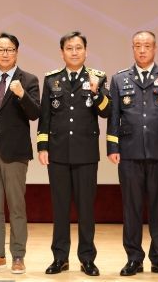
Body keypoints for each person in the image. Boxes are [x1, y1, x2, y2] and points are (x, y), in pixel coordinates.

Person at [106, 31, 158, 278]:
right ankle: (134, 258)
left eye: (147, 46)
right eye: (137, 46)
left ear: (155, 48)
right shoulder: (119, 79)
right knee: (131, 208)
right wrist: (112, 147)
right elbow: (114, 116)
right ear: (132, 48)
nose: (142, 50)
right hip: (129, 152)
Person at [37, 31, 111, 277]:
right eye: (69, 48)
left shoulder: (97, 77)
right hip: (58, 153)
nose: (74, 52)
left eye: (79, 48)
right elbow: (45, 116)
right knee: (60, 209)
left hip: (86, 154)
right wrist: (43, 147)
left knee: (86, 209)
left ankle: (87, 258)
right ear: (62, 53)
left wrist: (96, 92)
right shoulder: (52, 80)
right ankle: (60, 258)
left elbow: (107, 111)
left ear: (86, 51)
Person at [0, 33, 40, 275]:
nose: (5, 53)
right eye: (0, 49)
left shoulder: (29, 80)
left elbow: (35, 113)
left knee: (16, 206)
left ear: (17, 52)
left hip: (15, 153)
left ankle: (18, 256)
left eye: (9, 49)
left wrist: (22, 94)